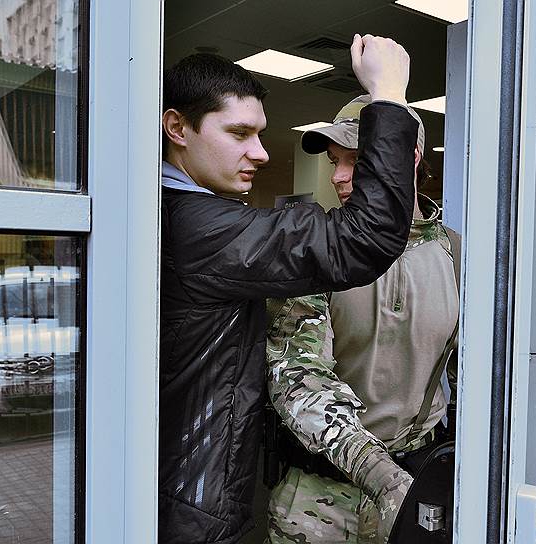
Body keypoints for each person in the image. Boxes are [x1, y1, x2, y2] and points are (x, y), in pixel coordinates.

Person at [159, 36, 421, 544]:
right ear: (177, 128)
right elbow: (362, 240)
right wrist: (388, 95)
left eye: (259, 134)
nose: (260, 153)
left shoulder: (173, 212)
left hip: (187, 490)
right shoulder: (198, 227)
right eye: (239, 133)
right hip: (194, 503)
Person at [265, 95, 461, 543]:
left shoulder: (456, 254)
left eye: (355, 159)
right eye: (335, 161)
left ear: (408, 157)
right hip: (318, 505)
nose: (337, 176)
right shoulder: (315, 248)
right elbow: (296, 376)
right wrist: (381, 476)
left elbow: (485, 381)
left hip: (417, 493)